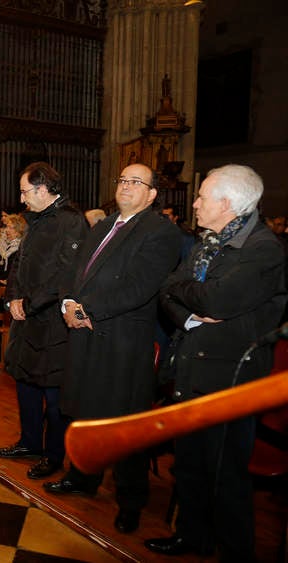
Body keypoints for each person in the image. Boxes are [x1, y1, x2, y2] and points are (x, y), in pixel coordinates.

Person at [146, 165, 287, 560]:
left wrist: (194, 295)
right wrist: (192, 312)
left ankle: (235, 552)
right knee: (188, 464)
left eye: (202, 196)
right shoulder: (207, 243)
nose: (194, 203)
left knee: (225, 476)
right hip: (192, 367)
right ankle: (193, 537)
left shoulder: (263, 249)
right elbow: (167, 290)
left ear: (226, 204)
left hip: (231, 378)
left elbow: (218, 301)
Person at [43, 163, 182, 536]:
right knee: (84, 412)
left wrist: (90, 310)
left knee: (123, 426)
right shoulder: (104, 226)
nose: (126, 186)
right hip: (85, 332)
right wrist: (68, 303)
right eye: (122, 180)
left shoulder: (160, 231)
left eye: (136, 182)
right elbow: (74, 271)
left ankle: (130, 501)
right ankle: (82, 477)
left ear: (152, 194)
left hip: (120, 339)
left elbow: (140, 286)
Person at [0, 162, 87, 483]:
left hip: (51, 322)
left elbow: (66, 274)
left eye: (25, 192)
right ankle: (30, 441)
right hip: (26, 318)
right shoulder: (33, 221)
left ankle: (53, 455)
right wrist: (12, 300)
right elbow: (19, 263)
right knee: (25, 384)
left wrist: (30, 304)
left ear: (43, 188)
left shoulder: (71, 222)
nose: (22, 199)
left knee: (52, 394)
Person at [0, 213, 26, 286]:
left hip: (10, 291)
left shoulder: (21, 248)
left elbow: (18, 274)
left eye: (11, 228)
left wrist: (3, 283)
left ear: (18, 231)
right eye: (7, 227)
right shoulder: (2, 244)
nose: (7, 230)